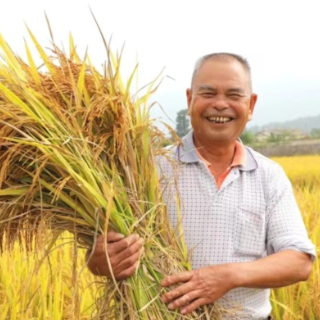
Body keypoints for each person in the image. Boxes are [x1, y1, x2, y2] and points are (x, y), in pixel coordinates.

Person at [86, 53, 316, 319]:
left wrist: (228, 276)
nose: (220, 104)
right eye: (207, 93)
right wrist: (103, 261)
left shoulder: (268, 176)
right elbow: (101, 259)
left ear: (251, 105)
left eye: (233, 95)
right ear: (189, 99)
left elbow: (299, 261)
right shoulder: (145, 171)